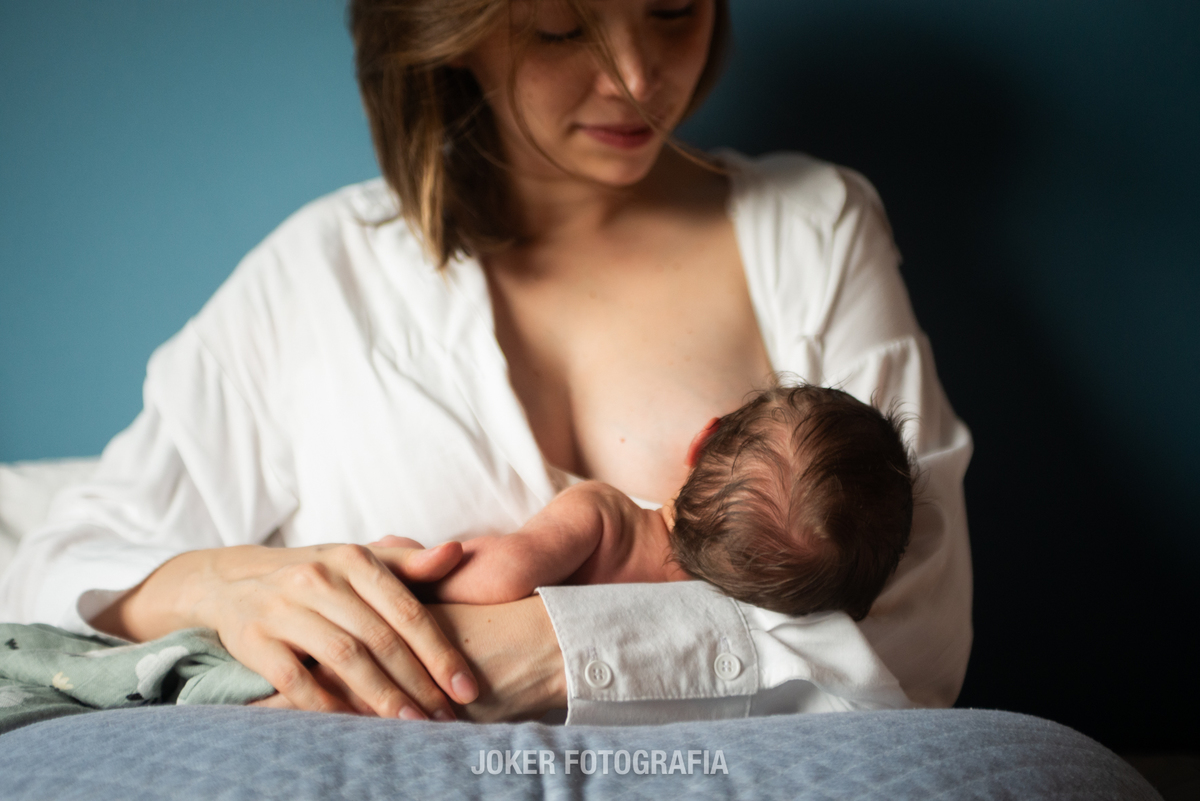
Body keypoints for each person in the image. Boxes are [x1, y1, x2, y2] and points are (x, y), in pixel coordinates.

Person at [0, 0, 973, 724]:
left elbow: (916, 632)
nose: (637, 76)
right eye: (559, 27)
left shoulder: (810, 225)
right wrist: (223, 583)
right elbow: (57, 562)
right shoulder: (324, 273)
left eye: (674, 9)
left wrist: (537, 650)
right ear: (448, 28)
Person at [408, 384, 915, 623]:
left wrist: (412, 575)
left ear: (702, 441)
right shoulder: (737, 621)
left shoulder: (607, 521)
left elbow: (505, 572)